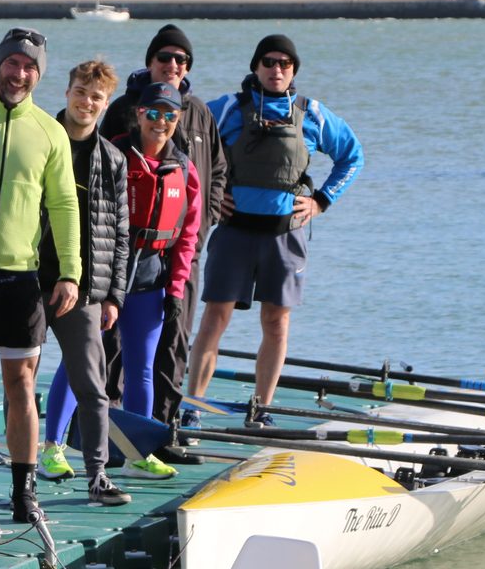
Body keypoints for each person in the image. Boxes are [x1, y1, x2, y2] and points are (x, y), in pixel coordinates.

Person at [185, 35, 364, 425]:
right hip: (234, 231)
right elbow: (185, 142)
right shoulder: (229, 108)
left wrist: (322, 200)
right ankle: (193, 407)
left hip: (286, 234)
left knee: (276, 321)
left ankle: (261, 408)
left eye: (284, 63)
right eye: (268, 62)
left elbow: (352, 156)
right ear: (255, 67)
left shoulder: (313, 113)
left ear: (294, 70)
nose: (276, 69)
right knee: (215, 316)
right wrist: (212, 197)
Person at [0, 28, 82, 522]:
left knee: (21, 385)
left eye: (29, 67)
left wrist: (69, 271)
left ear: (38, 74)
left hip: (18, 277)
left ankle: (23, 491)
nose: (19, 73)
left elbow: (65, 204)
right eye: (12, 63)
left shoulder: (51, 131)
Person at [99, 24, 227, 462]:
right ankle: (113, 434)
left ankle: (161, 434)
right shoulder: (122, 110)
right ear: (150, 61)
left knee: (173, 343)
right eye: (165, 58)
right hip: (126, 255)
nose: (173, 65)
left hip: (180, 254)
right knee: (115, 348)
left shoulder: (200, 113)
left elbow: (216, 173)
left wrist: (204, 217)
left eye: (181, 60)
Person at [34, 58, 132, 506]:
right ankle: (26, 475)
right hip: (31, 277)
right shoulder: (39, 138)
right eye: (80, 91)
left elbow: (121, 232)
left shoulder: (113, 159)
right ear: (67, 91)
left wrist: (114, 294)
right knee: (21, 379)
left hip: (86, 288)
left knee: (94, 385)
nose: (86, 102)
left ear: (106, 103)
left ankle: (97, 475)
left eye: (96, 96)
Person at [112, 83, 202, 477]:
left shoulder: (184, 169)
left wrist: (176, 290)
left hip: (151, 279)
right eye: (153, 113)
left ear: (178, 119)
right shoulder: (113, 152)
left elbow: (188, 235)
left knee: (142, 368)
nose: (160, 122)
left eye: (169, 115)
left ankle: (138, 452)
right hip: (108, 276)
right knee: (87, 363)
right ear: (138, 114)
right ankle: (55, 446)